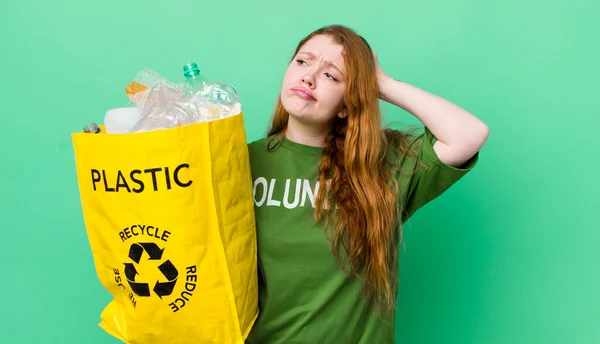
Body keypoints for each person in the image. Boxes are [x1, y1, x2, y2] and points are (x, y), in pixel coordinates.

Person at [245, 24, 489, 344]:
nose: (309, 77)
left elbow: (469, 134)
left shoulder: (380, 168)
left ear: (348, 104)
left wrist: (382, 84)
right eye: (303, 62)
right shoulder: (241, 163)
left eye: (331, 75)